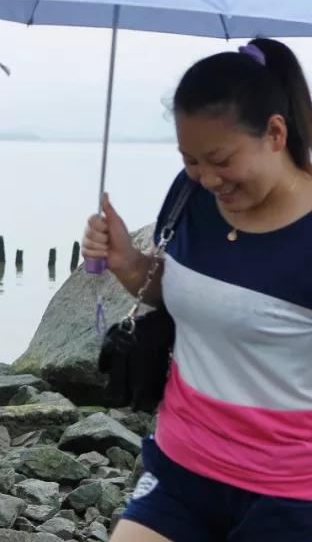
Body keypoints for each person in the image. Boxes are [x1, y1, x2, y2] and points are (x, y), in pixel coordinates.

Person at [82, 38, 312, 541]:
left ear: (275, 133)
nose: (207, 178)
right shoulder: (190, 195)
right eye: (190, 159)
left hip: (292, 495)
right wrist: (128, 262)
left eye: (220, 159)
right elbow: (175, 293)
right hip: (182, 468)